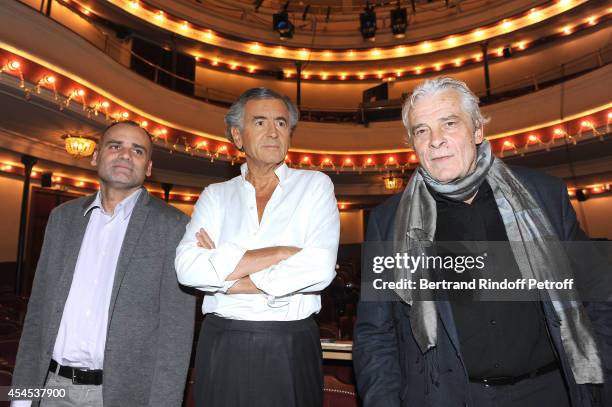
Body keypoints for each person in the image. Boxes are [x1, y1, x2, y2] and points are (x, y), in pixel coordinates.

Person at [353, 76, 611, 407]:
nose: (435, 141)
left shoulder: (545, 195)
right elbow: (375, 335)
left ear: (477, 131)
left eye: (449, 123)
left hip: (550, 391)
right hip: (448, 397)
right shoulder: (387, 223)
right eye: (421, 130)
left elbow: (598, 293)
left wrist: (603, 372)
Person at [175, 87, 339, 407]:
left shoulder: (315, 185)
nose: (273, 132)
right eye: (260, 122)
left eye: (281, 123)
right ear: (238, 136)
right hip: (222, 341)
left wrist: (226, 279)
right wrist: (279, 254)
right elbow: (187, 268)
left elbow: (319, 270)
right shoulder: (215, 195)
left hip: (291, 343)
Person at [11, 121, 195, 407]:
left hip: (121, 394)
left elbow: (176, 336)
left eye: (137, 150)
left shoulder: (173, 226)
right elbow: (37, 313)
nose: (125, 155)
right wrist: (22, 397)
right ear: (96, 156)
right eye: (115, 145)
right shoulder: (62, 218)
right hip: (51, 388)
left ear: (148, 167)